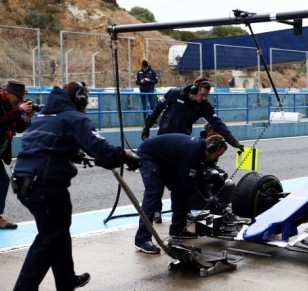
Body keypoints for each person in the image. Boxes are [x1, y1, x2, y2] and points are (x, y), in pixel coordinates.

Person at [11, 81, 141, 290]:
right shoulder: (73, 118)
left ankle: (65, 279)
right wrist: (125, 155)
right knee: (49, 237)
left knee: (58, 230)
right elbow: (101, 148)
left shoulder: (45, 115)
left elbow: (48, 144)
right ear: (79, 100)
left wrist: (76, 154)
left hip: (25, 182)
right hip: (46, 186)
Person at [141, 76, 244, 223]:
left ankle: (184, 211)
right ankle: (157, 210)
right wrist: (147, 126)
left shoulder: (204, 105)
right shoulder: (174, 93)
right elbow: (157, 109)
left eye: (206, 96)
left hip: (183, 146)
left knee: (182, 181)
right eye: (202, 94)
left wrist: (235, 143)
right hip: (164, 142)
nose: (203, 98)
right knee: (158, 178)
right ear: (194, 90)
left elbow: (217, 123)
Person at [134, 133, 228, 254]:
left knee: (180, 190)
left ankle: (178, 229)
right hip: (149, 156)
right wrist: (203, 200)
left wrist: (211, 197)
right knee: (155, 192)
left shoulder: (198, 152)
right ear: (210, 148)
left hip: (166, 160)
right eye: (217, 155)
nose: (217, 159)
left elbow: (199, 179)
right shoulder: (192, 151)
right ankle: (142, 239)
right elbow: (188, 182)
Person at [0, 80, 33, 229]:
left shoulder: (12, 107)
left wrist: (27, 116)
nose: (20, 100)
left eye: (22, 97)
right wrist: (19, 110)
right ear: (7, 93)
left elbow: (19, 128)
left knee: (2, 181)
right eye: (18, 96)